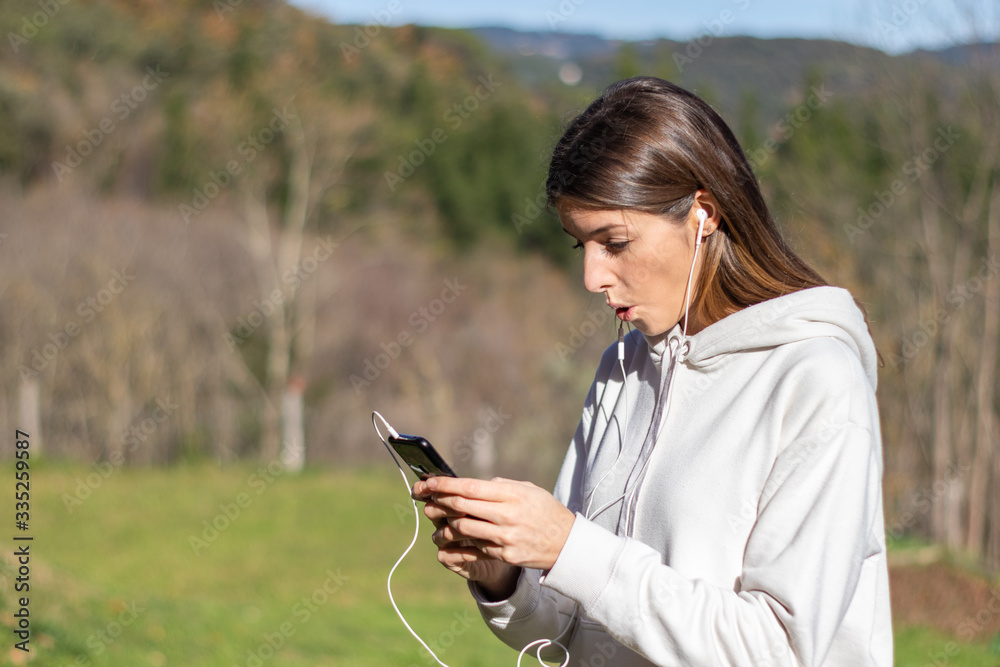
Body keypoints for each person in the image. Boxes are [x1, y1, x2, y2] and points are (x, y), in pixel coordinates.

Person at [412, 76, 893, 666]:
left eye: (613, 242)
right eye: (579, 246)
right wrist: (504, 575)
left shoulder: (816, 378)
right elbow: (571, 626)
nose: (592, 278)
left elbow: (777, 651)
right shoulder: (621, 369)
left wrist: (570, 546)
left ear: (703, 214)